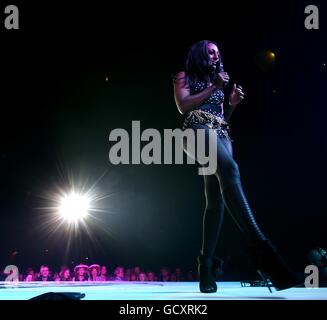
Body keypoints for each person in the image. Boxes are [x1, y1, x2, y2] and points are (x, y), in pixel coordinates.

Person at [173, 39, 300, 293]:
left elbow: (221, 119)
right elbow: (183, 106)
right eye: (211, 52)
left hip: (219, 134)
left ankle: (205, 265)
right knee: (231, 171)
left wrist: (231, 104)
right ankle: (265, 253)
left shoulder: (218, 82)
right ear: (199, 54)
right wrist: (214, 88)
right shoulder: (183, 76)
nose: (216, 56)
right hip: (195, 131)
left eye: (218, 53)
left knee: (216, 199)